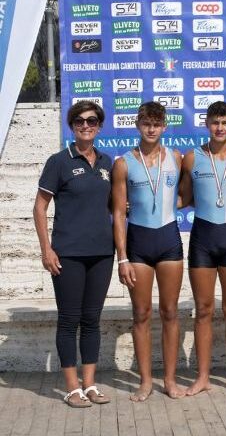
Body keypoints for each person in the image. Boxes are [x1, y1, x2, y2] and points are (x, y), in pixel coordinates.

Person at [33, 100, 114, 408]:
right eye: (79, 121)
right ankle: (71, 387)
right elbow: (39, 207)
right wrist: (46, 250)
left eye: (91, 121)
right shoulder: (59, 161)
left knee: (92, 319)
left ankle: (90, 384)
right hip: (67, 254)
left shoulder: (107, 162)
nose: (85, 125)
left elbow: (113, 207)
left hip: (102, 255)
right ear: (72, 126)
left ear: (99, 125)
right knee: (69, 320)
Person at [111, 102, 185, 401]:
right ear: (137, 125)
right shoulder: (124, 163)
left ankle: (168, 379)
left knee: (169, 312)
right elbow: (117, 213)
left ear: (164, 126)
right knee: (141, 314)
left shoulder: (177, 158)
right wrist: (123, 257)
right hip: (138, 245)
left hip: (169, 240)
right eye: (146, 123)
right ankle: (145, 381)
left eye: (157, 123)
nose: (151, 128)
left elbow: (185, 196)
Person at [178, 101, 226, 395]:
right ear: (206, 124)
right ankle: (203, 377)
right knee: (204, 309)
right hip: (202, 240)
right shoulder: (192, 158)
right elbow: (184, 197)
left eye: (225, 122)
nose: (220, 128)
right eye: (215, 122)